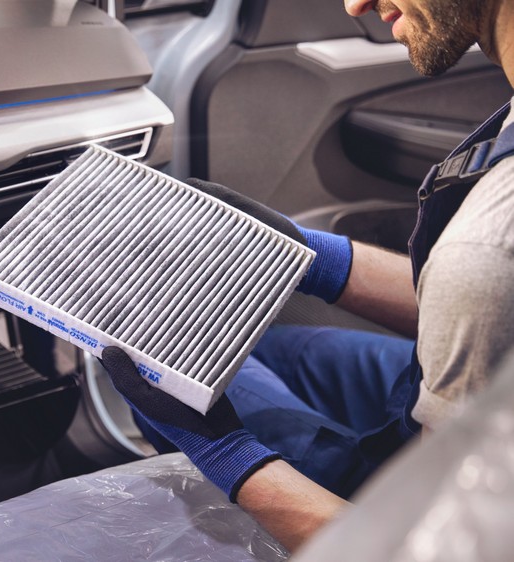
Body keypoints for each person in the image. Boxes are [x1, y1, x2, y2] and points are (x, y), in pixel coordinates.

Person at [101, 0, 514, 553]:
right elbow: (487, 301)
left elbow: (419, 546)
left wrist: (228, 457)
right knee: (262, 347)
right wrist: (314, 256)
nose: (355, 5)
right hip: (477, 388)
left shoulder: (485, 245)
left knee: (159, 372)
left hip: (420, 515)